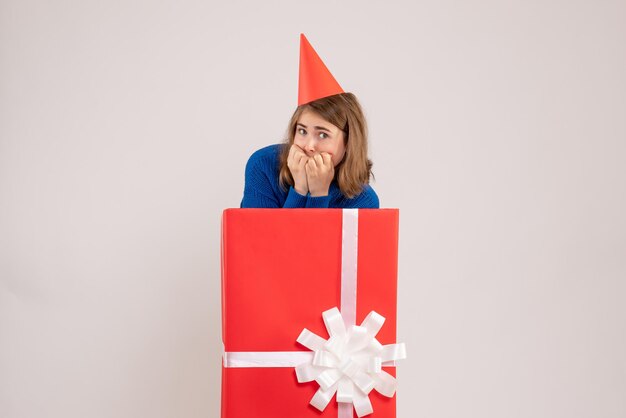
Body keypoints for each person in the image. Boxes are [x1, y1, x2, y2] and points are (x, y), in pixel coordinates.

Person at [240, 34, 379, 209]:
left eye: (323, 134)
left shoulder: (363, 200)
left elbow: (315, 238)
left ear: (348, 141)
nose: (309, 146)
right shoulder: (263, 165)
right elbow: (262, 236)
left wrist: (319, 193)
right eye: (302, 131)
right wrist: (299, 189)